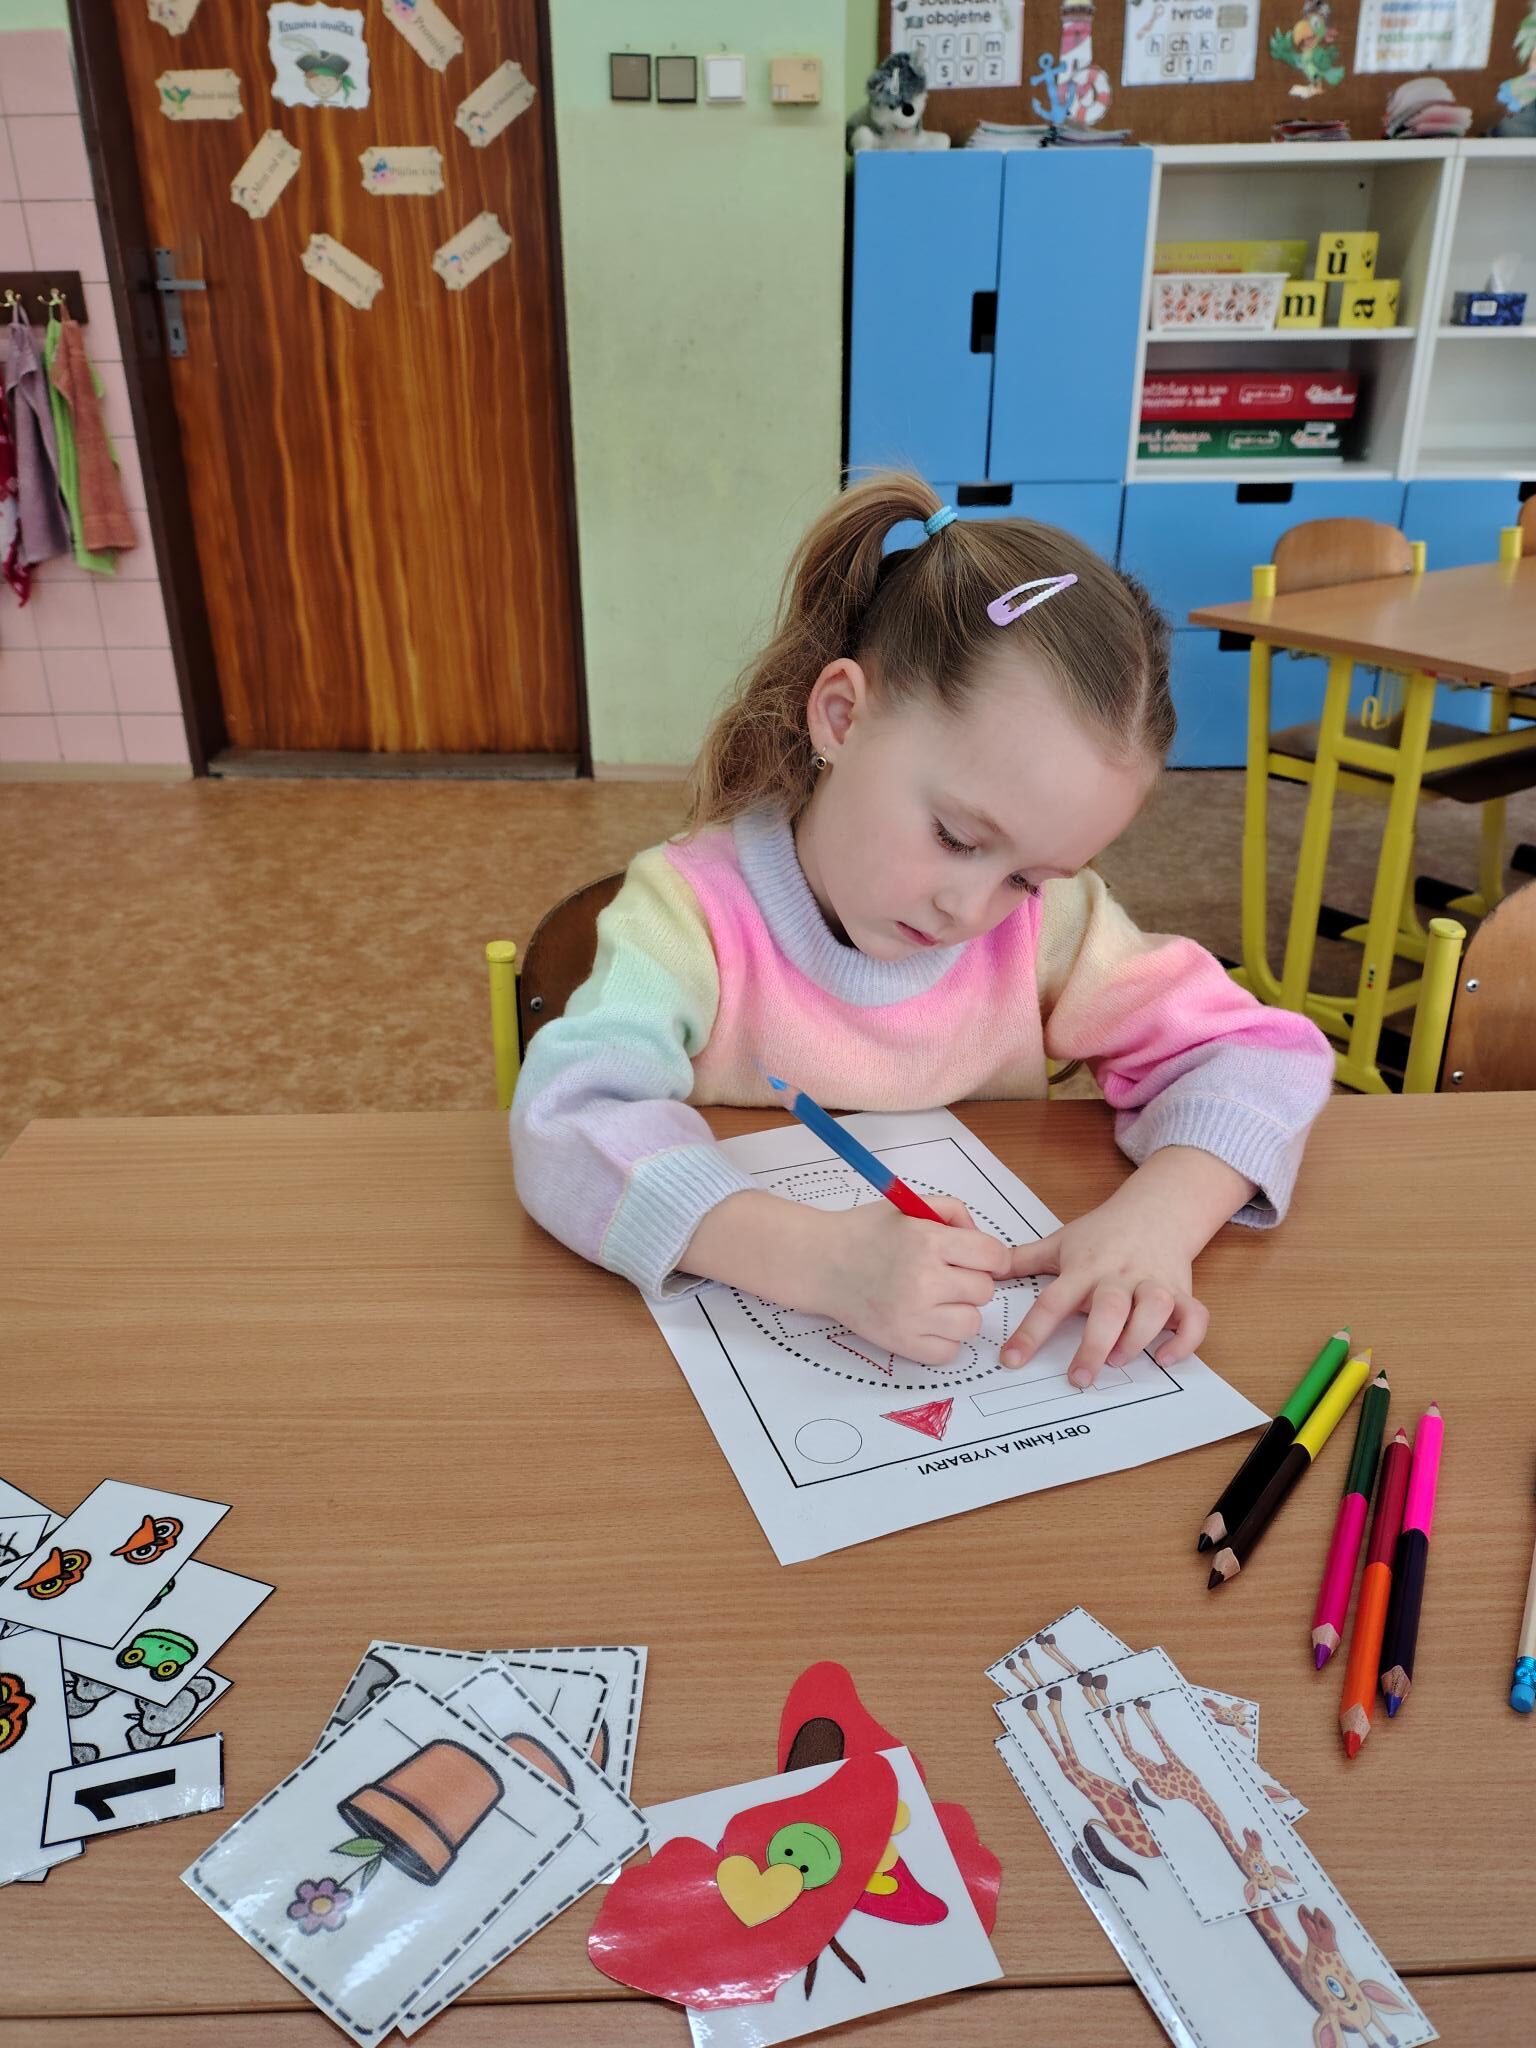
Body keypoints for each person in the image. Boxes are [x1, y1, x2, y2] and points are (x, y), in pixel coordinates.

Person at [511, 475, 1333, 1384]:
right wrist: (818, 1261)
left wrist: (1160, 1219)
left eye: (1025, 877)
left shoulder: (1051, 926)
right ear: (841, 717)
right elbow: (567, 1121)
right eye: (956, 838)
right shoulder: (688, 912)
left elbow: (1263, 1054)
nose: (969, 912)